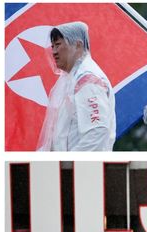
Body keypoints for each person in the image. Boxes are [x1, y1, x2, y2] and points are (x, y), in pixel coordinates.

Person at [38, 22, 115, 151]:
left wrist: (71, 166)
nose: (54, 52)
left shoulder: (88, 80)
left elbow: (96, 133)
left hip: (82, 169)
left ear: (78, 45)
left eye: (58, 45)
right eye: (52, 46)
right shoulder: (71, 80)